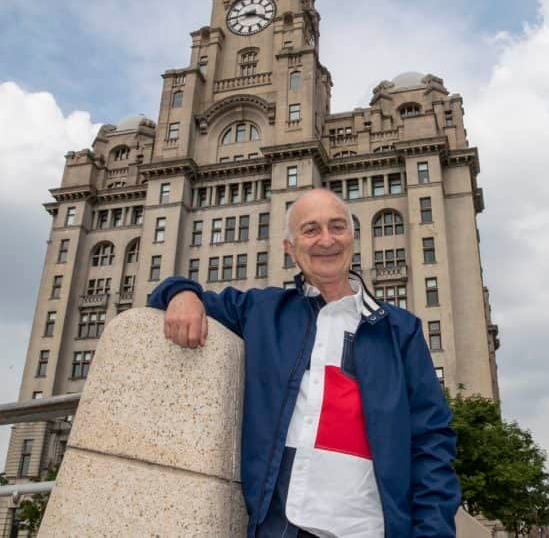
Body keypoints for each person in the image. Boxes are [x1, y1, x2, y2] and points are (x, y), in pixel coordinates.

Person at [149, 188, 460, 537]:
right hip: (282, 527)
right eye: (311, 230)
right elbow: (169, 290)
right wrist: (181, 294)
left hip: (370, 528)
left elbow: (432, 441)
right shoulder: (262, 312)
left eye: (337, 227)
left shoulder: (400, 330)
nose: (326, 240)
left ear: (352, 238)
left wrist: (432, 532)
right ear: (289, 248)